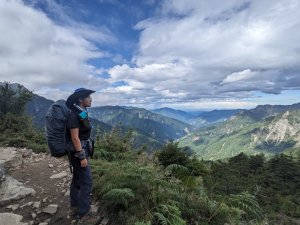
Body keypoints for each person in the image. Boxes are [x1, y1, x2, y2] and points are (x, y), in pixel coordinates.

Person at [66, 88, 99, 224]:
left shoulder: (82, 113)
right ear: (80, 99)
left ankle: (74, 206)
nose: (91, 99)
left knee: (77, 178)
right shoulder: (74, 115)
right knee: (87, 181)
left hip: (82, 148)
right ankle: (84, 213)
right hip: (79, 151)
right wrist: (82, 156)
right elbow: (75, 138)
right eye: (88, 97)